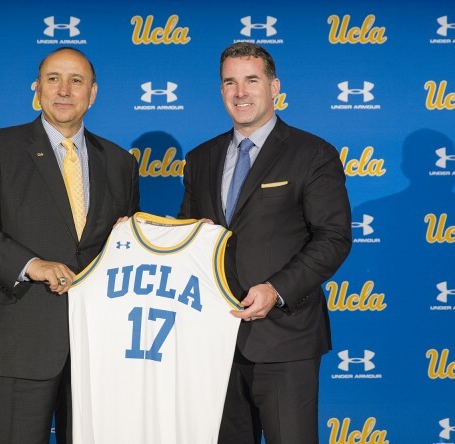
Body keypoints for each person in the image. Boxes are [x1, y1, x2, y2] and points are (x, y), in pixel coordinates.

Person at [0, 47, 140, 444]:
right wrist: (31, 264)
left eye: (77, 81)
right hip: (20, 341)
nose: (64, 90)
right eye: (54, 78)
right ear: (37, 89)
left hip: (99, 349)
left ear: (93, 93)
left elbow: (129, 246)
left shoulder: (121, 162)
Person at [178, 42, 352, 443]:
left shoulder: (312, 153)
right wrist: (134, 232)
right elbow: (185, 234)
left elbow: (334, 237)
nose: (241, 92)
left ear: (274, 87)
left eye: (251, 80)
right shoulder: (200, 158)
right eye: (230, 82)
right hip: (212, 343)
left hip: (284, 339)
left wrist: (277, 290)